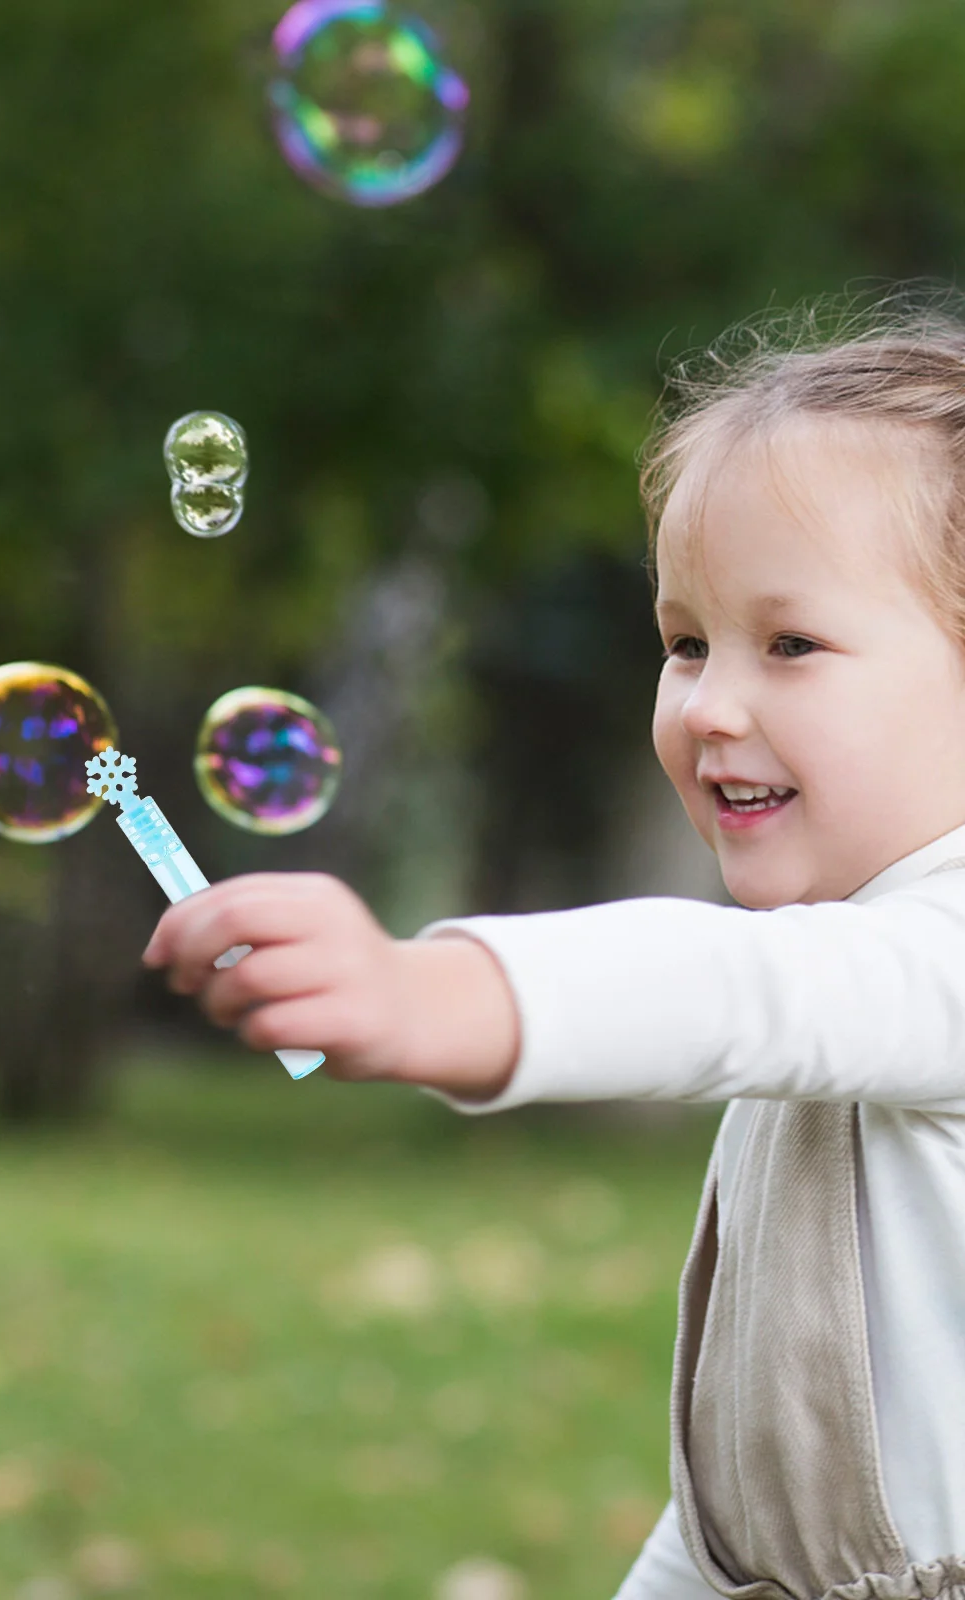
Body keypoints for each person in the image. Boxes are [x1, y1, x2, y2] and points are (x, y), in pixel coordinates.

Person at [140, 295, 965, 1600]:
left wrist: (431, 991)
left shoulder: (934, 961)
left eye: (791, 644)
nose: (711, 705)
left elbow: (726, 994)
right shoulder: (847, 949)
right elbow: (726, 1522)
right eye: (685, 642)